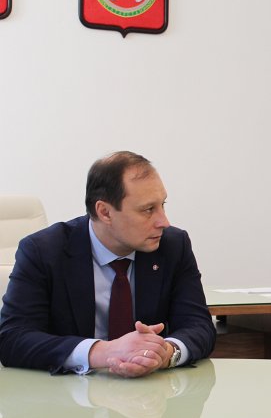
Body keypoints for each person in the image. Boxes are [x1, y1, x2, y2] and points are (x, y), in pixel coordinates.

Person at [0, 151, 215, 377]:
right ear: (105, 212)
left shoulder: (173, 246)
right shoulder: (43, 251)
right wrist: (103, 351)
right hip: (69, 392)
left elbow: (199, 326)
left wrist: (165, 353)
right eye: (148, 210)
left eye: (162, 205)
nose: (164, 221)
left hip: (150, 393)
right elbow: (12, 338)